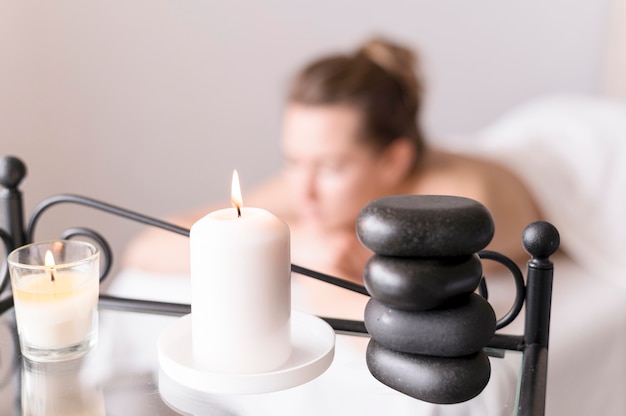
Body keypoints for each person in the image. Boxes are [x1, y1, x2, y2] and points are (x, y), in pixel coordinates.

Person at [123, 36, 540, 284]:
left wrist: (281, 243)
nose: (302, 188)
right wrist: (294, 242)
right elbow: (149, 248)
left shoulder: (458, 208)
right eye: (294, 160)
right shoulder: (308, 182)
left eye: (329, 167)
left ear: (395, 160)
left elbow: (391, 315)